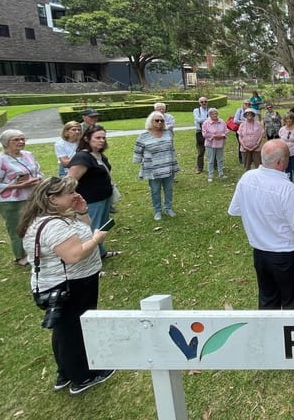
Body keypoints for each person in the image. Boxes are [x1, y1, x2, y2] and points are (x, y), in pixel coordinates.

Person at [18, 176, 116, 395]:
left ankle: (65, 372)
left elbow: (80, 234)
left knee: (64, 330)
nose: (75, 195)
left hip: (65, 282)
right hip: (71, 284)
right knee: (74, 330)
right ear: (52, 199)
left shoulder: (49, 218)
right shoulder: (54, 226)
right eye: (69, 193)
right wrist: (97, 239)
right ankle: (82, 376)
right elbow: (75, 255)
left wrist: (81, 212)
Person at [228, 140, 294, 309]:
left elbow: (236, 210)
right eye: (288, 156)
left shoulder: (246, 178)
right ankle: (289, 335)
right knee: (292, 305)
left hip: (260, 254)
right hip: (286, 256)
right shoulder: (287, 189)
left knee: (267, 301)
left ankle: (269, 334)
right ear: (280, 162)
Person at [0, 129, 42, 266]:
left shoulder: (28, 155)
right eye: (16, 140)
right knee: (17, 228)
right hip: (10, 201)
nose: (21, 142)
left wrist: (36, 179)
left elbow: (39, 172)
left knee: (34, 226)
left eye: (22, 139)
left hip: (32, 197)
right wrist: (17, 186)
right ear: (5, 143)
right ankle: (20, 256)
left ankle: (35, 252)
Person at [67, 125, 120, 259]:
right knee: (91, 230)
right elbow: (70, 181)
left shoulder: (99, 154)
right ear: (87, 138)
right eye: (97, 138)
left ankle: (101, 253)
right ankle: (92, 260)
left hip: (104, 197)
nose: (101, 140)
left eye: (103, 137)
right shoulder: (82, 157)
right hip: (91, 201)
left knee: (102, 227)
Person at [133, 111, 180, 221]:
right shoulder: (143, 136)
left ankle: (168, 208)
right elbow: (137, 151)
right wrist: (139, 161)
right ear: (151, 121)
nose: (159, 122)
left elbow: (171, 149)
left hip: (168, 166)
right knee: (155, 190)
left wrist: (174, 164)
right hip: (153, 169)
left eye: (162, 120)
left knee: (169, 189)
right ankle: (157, 210)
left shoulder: (168, 133)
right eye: (157, 120)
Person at [201, 108, 227, 182]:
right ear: (209, 115)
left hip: (220, 143)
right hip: (210, 144)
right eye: (213, 114)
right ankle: (210, 175)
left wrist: (222, 135)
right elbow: (204, 134)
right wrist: (214, 136)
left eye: (216, 113)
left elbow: (226, 130)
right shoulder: (206, 123)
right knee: (210, 160)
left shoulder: (222, 121)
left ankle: (221, 174)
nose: (215, 115)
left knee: (220, 159)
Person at [279, 112, 294, 187]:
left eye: (290, 118)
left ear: (293, 120)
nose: (288, 120)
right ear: (284, 120)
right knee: (287, 170)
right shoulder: (282, 129)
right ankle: (289, 185)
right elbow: (281, 139)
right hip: (285, 153)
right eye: (287, 118)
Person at [193, 97, 209, 173]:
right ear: (199, 103)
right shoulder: (196, 110)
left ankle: (214, 166)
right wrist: (209, 120)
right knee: (201, 151)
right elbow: (198, 119)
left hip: (210, 132)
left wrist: (203, 120)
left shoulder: (210, 110)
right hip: (200, 132)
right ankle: (200, 168)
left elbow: (214, 119)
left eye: (205, 101)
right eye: (202, 102)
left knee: (212, 149)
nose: (204, 103)